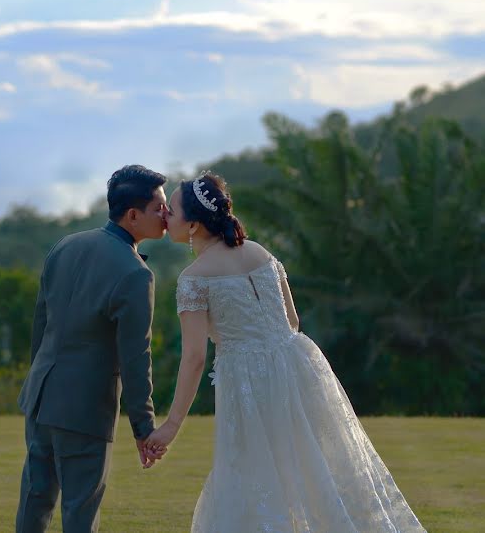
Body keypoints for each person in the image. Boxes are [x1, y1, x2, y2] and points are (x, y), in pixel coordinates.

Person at [146, 171, 426, 532]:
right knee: (315, 468)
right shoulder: (261, 253)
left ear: (195, 224)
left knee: (254, 474)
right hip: (299, 366)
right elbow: (292, 319)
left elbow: (195, 357)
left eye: (173, 210)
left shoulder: (195, 278)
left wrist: (171, 425)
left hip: (248, 381)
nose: (166, 214)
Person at [16, 164, 169, 533]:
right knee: (80, 513)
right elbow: (136, 357)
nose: (167, 215)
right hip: (84, 411)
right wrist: (144, 427)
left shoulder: (66, 245)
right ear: (133, 215)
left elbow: (41, 323)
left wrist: (38, 378)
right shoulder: (136, 274)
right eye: (159, 208)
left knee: (34, 503)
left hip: (40, 396)